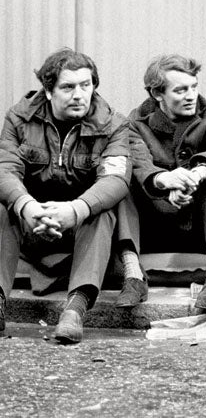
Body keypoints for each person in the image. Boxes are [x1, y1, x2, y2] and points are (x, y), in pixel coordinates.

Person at [0, 48, 131, 343]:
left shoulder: (113, 124)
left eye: (86, 85)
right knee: (1, 205)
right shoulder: (20, 119)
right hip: (32, 225)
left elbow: (115, 179)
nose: (79, 95)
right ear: (48, 91)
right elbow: (4, 169)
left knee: (104, 209)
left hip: (79, 232)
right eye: (68, 87)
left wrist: (75, 210)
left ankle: (75, 309)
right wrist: (27, 206)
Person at [115, 54, 206, 310]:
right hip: (155, 227)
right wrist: (164, 181)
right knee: (121, 179)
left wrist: (198, 174)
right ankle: (133, 276)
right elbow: (140, 162)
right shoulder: (134, 123)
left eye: (194, 87)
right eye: (181, 90)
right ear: (157, 94)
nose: (191, 96)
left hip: (204, 228)